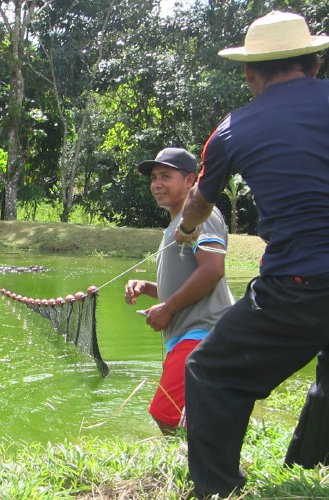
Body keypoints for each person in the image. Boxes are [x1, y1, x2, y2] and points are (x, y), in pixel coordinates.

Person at [173, 11, 329, 498]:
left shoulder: (231, 130)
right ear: (315, 64)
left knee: (209, 372)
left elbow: (200, 199)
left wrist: (186, 229)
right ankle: (310, 464)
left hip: (298, 286)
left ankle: (218, 488)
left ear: (249, 73)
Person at [125, 148, 235, 436]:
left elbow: (212, 270)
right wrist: (148, 289)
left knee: (165, 413)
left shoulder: (201, 214)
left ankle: (190, 466)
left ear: (189, 181)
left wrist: (168, 308)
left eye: (166, 176)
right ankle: (199, 461)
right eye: (153, 178)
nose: (157, 184)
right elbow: (188, 280)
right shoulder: (175, 225)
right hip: (187, 334)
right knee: (185, 413)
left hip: (203, 332)